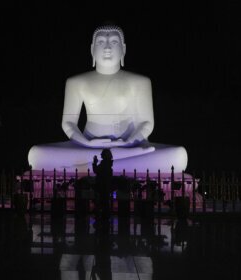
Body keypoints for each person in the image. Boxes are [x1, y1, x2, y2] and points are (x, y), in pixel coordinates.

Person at [28, 25, 188, 173]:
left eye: (113, 42)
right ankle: (116, 163)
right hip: (87, 148)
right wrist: (87, 143)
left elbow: (147, 123)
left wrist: (128, 143)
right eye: (101, 42)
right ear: (92, 49)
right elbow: (68, 123)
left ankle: (92, 166)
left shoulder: (140, 82)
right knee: (36, 154)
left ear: (123, 49)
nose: (107, 47)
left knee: (179, 155)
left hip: (131, 146)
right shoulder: (76, 82)